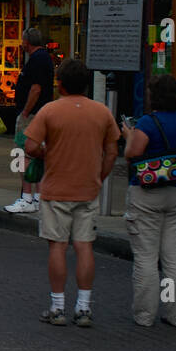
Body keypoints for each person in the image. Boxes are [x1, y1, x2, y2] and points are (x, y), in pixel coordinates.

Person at [25, 59, 119, 328]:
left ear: (60, 84)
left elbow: (31, 146)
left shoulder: (50, 111)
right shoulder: (101, 112)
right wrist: (99, 177)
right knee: (84, 245)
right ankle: (84, 307)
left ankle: (57, 306)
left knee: (58, 245)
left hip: (56, 188)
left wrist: (47, 153)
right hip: (87, 188)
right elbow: (112, 151)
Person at [122, 73, 176, 328]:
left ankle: (144, 314)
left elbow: (132, 154)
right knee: (173, 257)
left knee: (146, 257)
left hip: (146, 194)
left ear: (154, 96)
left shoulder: (147, 123)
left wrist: (128, 134)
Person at [6, 28, 54, 214]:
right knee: (37, 154)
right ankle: (38, 197)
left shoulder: (37, 60)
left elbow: (36, 89)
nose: (21, 43)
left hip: (32, 114)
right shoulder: (44, 58)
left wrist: (25, 111)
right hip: (38, 113)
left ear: (27, 42)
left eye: (23, 40)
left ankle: (27, 197)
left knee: (21, 153)